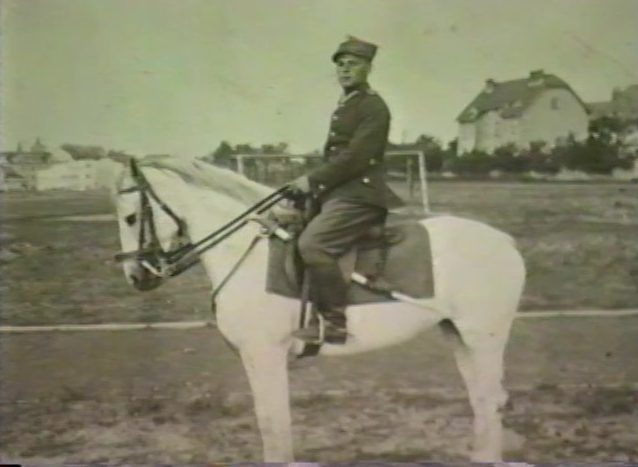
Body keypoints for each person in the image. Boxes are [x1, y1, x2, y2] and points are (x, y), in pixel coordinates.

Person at [285, 36, 403, 344]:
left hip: (360, 195)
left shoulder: (373, 106)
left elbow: (356, 157)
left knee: (313, 245)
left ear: (369, 68)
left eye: (353, 64)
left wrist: (312, 180)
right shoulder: (348, 104)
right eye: (341, 65)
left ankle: (333, 322)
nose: (345, 70)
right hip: (338, 191)